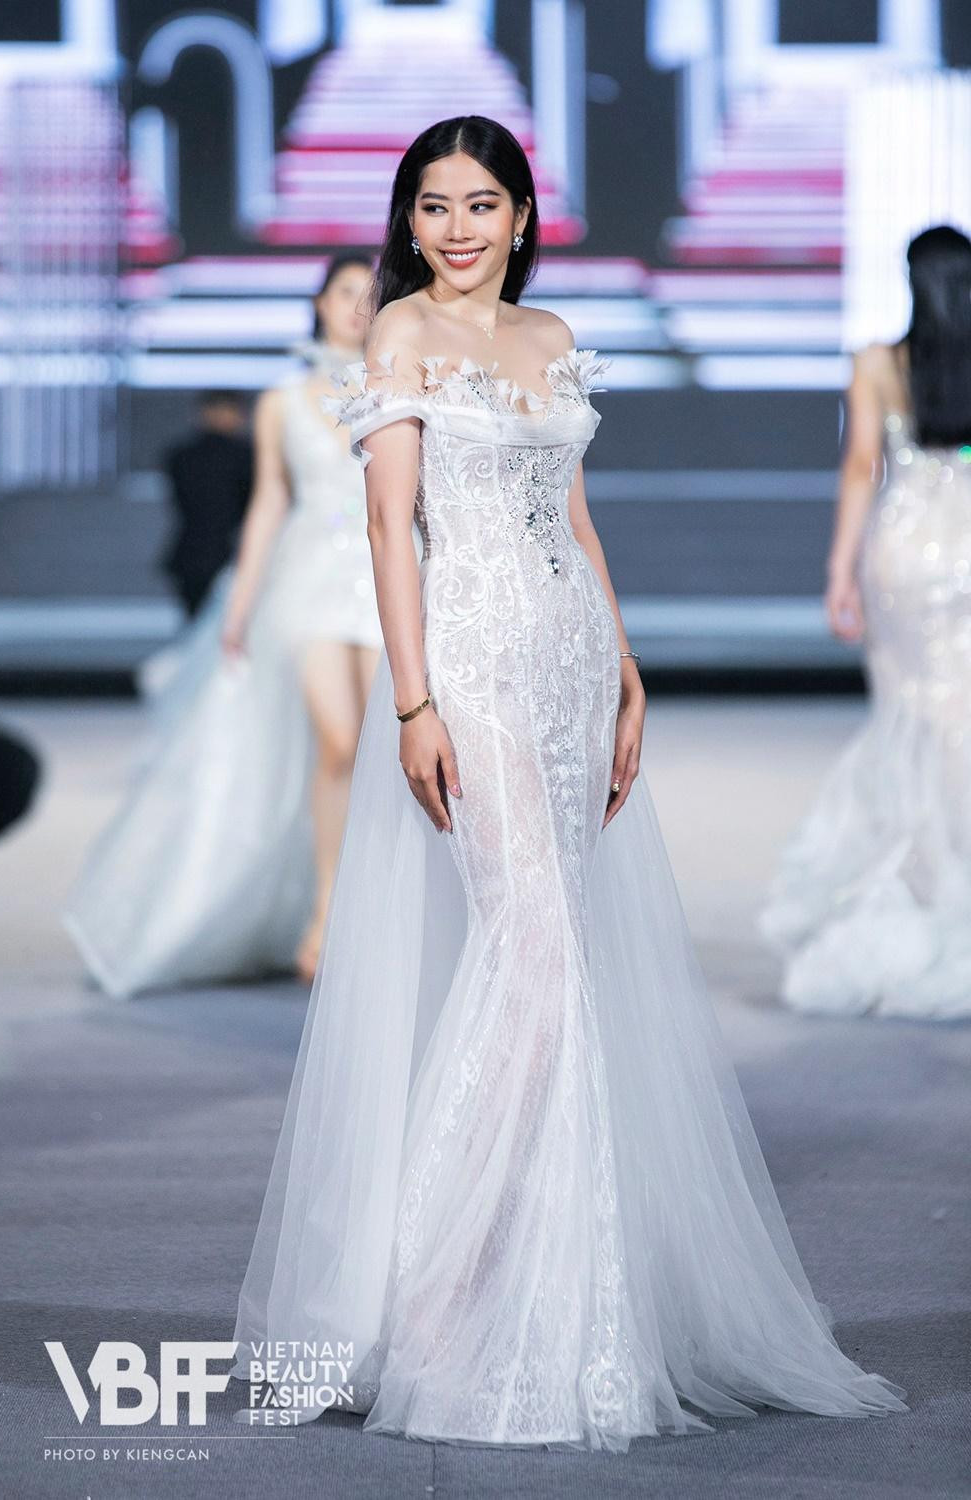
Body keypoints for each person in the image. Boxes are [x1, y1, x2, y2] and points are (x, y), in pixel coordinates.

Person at [229, 116, 907, 1450]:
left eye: (482, 204)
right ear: (409, 221)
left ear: (524, 216)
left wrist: (626, 664)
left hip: (571, 661)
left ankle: (534, 1285)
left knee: (560, 960)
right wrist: (412, 701)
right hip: (470, 666)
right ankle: (430, 1299)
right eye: (435, 206)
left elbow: (577, 521)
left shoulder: (548, 339)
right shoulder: (401, 334)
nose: (459, 228)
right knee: (533, 952)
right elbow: (390, 526)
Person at [63, 254, 381, 997]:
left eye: (372, 293)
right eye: (345, 291)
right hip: (308, 580)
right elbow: (269, 503)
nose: (358, 305)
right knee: (339, 741)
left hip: (389, 571)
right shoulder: (282, 402)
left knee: (382, 750)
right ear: (319, 302)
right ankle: (326, 912)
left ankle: (377, 914)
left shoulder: (401, 385)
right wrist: (238, 606)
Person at [760, 225, 971, 1019]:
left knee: (912, 719)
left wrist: (838, 571)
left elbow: (861, 468)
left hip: (905, 553)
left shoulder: (879, 362)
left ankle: (923, 884)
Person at [161, 391, 254, 618]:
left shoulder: (181, 456)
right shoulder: (247, 456)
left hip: (193, 552)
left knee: (197, 620)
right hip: (232, 548)